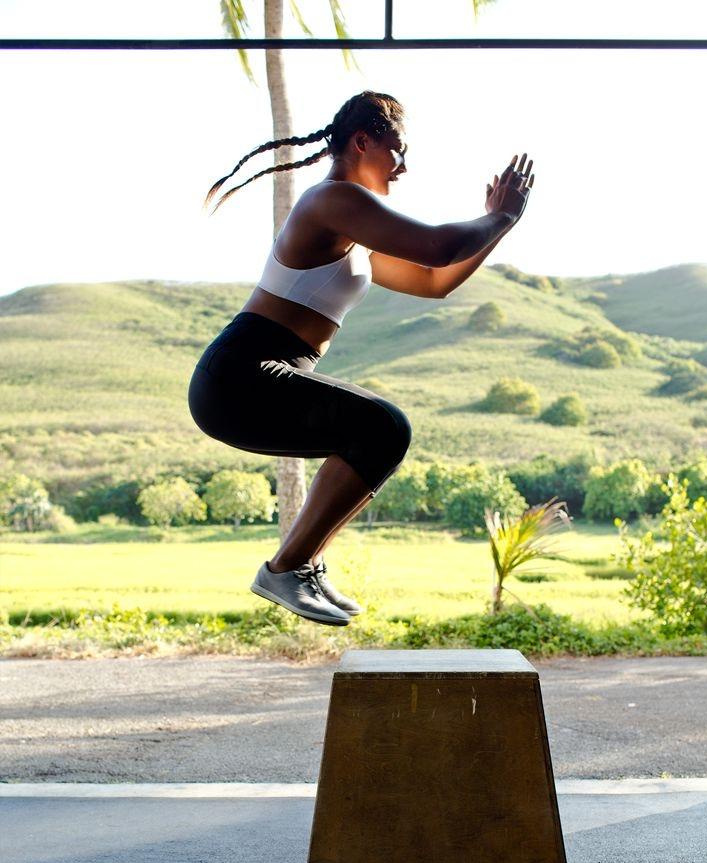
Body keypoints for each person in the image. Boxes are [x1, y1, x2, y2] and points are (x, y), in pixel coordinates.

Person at [188, 90, 533, 627]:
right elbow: (438, 246)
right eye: (399, 149)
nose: (404, 165)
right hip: (242, 374)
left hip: (258, 376)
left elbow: (435, 280)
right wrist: (501, 213)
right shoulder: (334, 201)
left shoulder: (353, 232)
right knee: (382, 425)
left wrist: (500, 226)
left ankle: (300, 565)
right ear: (363, 141)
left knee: (375, 433)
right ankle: (287, 567)